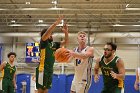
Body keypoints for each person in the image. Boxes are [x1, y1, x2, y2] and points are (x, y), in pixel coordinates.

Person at [36, 16, 69, 93]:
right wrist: (55, 23)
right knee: (41, 91)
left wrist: (66, 32)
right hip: (42, 69)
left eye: (51, 34)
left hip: (50, 69)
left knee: (46, 90)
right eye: (50, 34)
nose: (51, 35)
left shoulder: (54, 44)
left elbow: (66, 42)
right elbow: (47, 33)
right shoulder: (43, 42)